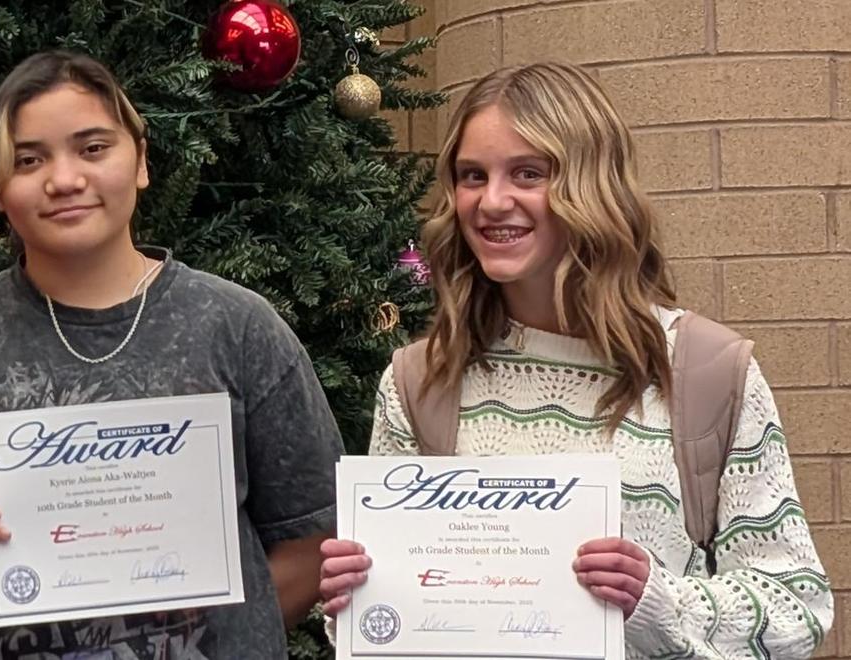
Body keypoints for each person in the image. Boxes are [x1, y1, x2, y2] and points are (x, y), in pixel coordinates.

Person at [317, 62, 834, 658]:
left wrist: (656, 602)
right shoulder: (418, 380)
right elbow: (401, 627)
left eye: (528, 173)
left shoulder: (707, 370)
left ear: (593, 187)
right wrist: (361, 595)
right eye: (471, 175)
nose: (491, 202)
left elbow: (798, 606)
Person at [0, 50, 342, 659]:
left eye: (93, 148)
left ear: (141, 160)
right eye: (28, 159)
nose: (65, 179)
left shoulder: (236, 327)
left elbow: (311, 539)